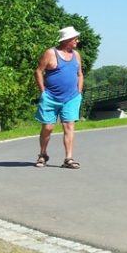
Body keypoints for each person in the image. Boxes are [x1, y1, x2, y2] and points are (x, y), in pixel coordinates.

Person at [34, 26, 84, 169]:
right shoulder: (50, 53)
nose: (77, 41)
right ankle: (43, 154)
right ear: (67, 40)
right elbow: (38, 71)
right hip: (50, 97)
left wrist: (79, 90)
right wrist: (43, 91)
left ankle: (68, 158)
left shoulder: (76, 55)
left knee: (69, 126)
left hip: (72, 97)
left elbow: (80, 74)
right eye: (75, 39)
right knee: (48, 127)